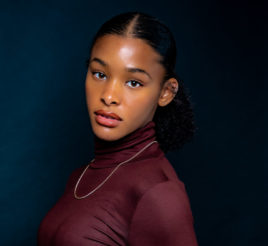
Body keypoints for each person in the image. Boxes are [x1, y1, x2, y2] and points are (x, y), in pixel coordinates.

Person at [37, 12, 198, 246]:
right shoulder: (81, 176)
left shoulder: (159, 192)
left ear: (165, 92)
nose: (109, 96)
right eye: (99, 74)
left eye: (133, 82)